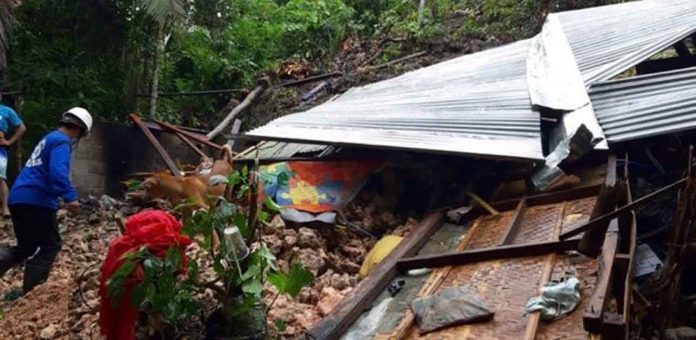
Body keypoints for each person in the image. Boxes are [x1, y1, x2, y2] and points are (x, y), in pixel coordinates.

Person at [0, 107, 92, 294]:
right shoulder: (62, 142)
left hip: (18, 197)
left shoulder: (49, 138)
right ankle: (32, 293)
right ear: (80, 130)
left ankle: (26, 290)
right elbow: (57, 173)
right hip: (37, 200)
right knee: (51, 245)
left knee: (26, 247)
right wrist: (70, 197)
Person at [0, 100, 27, 218]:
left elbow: (21, 128)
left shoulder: (6, 110)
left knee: (0, 177)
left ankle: (5, 207)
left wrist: (9, 141)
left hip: (0, 147)